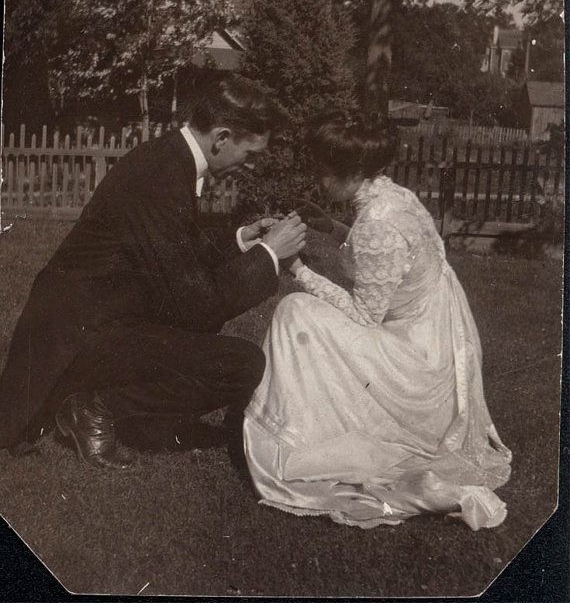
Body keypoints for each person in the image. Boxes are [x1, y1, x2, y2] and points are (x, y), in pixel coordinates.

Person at [0, 71, 306, 468]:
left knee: (211, 347)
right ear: (222, 138)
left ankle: (106, 407)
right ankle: (92, 408)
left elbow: (177, 254)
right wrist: (268, 253)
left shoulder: (169, 160)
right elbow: (196, 305)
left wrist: (242, 240)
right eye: (250, 155)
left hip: (99, 321)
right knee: (242, 364)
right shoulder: (161, 175)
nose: (249, 166)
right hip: (78, 339)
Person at [244, 112, 511, 531]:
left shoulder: (378, 224)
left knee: (295, 311)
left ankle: (298, 435)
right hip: (431, 334)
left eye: (323, 172)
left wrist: (296, 268)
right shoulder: (393, 196)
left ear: (352, 173)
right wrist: (330, 226)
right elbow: (377, 256)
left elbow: (365, 315)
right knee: (306, 315)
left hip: (415, 358)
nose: (317, 180)